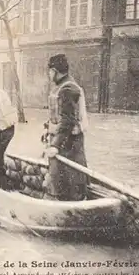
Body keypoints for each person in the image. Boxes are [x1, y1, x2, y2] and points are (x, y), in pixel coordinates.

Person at [44, 54, 89, 201]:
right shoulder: (62, 87)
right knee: (61, 177)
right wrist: (48, 129)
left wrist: (55, 145)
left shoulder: (68, 88)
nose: (49, 75)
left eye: (50, 72)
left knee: (69, 178)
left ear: (55, 71)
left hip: (69, 143)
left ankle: (72, 206)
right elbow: (58, 114)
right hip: (63, 138)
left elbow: (68, 120)